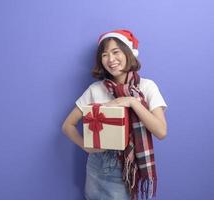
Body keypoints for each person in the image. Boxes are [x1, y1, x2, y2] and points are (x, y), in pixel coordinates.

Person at [61, 29, 167, 200]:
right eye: (104, 55)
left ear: (128, 53)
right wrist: (85, 146)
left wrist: (132, 102)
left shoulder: (147, 87)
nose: (111, 59)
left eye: (116, 52)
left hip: (127, 166)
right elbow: (67, 126)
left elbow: (161, 131)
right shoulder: (95, 90)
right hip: (97, 166)